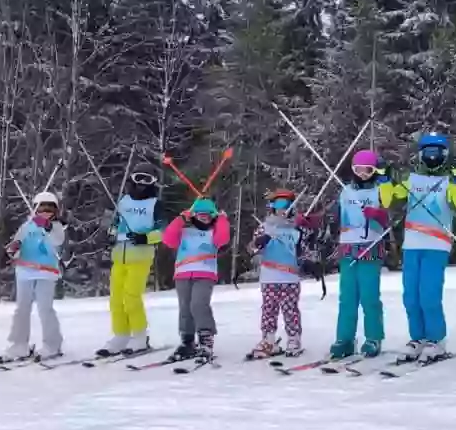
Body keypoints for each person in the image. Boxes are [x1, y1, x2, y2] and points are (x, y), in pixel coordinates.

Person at [395, 132, 456, 363]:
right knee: (411, 296)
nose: (432, 157)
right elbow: (389, 198)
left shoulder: (448, 180)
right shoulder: (412, 179)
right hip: (412, 244)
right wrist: (384, 179)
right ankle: (418, 338)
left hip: (436, 245)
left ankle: (436, 339)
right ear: (421, 155)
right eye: (428, 152)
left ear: (444, 155)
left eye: (437, 153)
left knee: (429, 295)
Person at [329, 151, 395, 359]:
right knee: (347, 297)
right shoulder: (346, 191)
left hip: (370, 246)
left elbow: (388, 215)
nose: (363, 174)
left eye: (367, 170)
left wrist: (377, 215)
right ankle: (345, 339)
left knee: (369, 297)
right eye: (358, 170)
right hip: (348, 246)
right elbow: (338, 218)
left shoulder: (380, 190)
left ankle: (374, 337)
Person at [97, 167, 163, 357]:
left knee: (131, 297)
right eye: (138, 181)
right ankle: (121, 335)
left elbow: (164, 231)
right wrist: (110, 236)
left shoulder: (155, 204)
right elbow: (116, 224)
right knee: (116, 299)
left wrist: (146, 238)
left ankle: (140, 336)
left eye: (146, 182)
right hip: (119, 255)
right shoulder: (123, 202)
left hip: (140, 256)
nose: (141, 186)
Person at [246, 189, 320, 359]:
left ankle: (294, 339)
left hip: (290, 278)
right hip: (269, 276)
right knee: (269, 309)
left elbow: (304, 251)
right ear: (272, 207)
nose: (283, 208)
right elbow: (251, 249)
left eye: (287, 204)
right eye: (278, 204)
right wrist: (259, 242)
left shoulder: (297, 229)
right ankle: (268, 339)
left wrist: (310, 263)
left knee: (290, 310)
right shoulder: (264, 227)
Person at [0, 192, 67, 363]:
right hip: (24, 271)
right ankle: (19, 344)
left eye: (51, 208)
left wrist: (48, 227)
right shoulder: (27, 226)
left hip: (46, 271)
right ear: (35, 208)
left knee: (45, 308)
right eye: (42, 207)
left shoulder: (57, 227)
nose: (46, 211)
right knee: (22, 309)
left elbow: (58, 241)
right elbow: (18, 242)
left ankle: (52, 344)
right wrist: (12, 249)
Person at [161, 197, 231, 362]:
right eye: (200, 215)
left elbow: (223, 239)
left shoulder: (213, 231)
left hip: (205, 274)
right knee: (185, 308)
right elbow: (168, 239)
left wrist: (222, 219)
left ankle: (206, 338)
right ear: (193, 215)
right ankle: (187, 341)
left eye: (208, 215)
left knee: (198, 305)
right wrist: (180, 218)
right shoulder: (184, 231)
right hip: (183, 274)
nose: (204, 217)